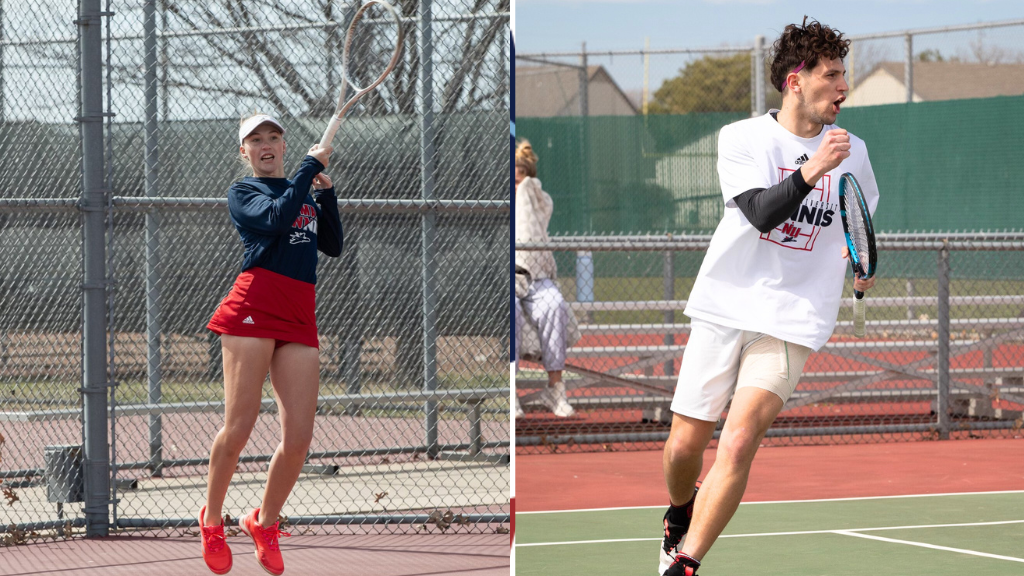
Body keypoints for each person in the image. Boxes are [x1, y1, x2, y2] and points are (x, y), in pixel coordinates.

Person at [659, 18, 879, 576]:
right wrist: (813, 169)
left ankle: (685, 565)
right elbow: (759, 213)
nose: (842, 87)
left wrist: (859, 262)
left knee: (737, 443)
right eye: (831, 75)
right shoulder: (742, 138)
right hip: (726, 304)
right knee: (686, 447)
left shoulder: (856, 154)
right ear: (794, 81)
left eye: (844, 75)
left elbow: (855, 226)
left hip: (793, 318)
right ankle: (679, 510)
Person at [199, 113, 343, 576]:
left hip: (299, 312)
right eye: (255, 140)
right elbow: (278, 220)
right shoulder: (244, 193)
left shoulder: (302, 189)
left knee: (299, 439)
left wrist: (326, 192)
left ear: (283, 143)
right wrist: (305, 170)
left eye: (273, 137)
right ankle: (212, 518)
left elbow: (333, 245)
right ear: (245, 152)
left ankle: (265, 522)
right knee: (239, 428)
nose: (265, 144)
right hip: (253, 307)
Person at [514, 140, 576, 418]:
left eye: (521, 170)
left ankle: (555, 389)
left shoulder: (536, 197)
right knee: (510, 312)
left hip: (537, 275)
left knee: (554, 306)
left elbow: (536, 213)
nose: (516, 174)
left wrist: (526, 187)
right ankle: (509, 392)